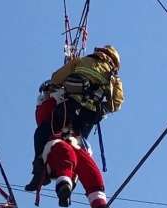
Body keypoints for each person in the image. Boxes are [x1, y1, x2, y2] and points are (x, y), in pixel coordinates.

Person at [25, 45, 124, 192]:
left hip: (69, 107)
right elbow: (116, 103)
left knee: (43, 132)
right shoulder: (113, 78)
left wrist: (56, 88)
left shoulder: (82, 61)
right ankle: (70, 180)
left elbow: (56, 78)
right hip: (88, 117)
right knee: (77, 147)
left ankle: (39, 170)